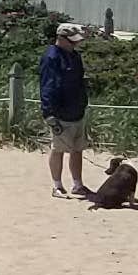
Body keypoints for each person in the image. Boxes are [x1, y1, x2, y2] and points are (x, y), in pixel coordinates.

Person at [37, 21, 91, 198]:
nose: (76, 44)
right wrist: (49, 114)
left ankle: (77, 184)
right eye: (72, 40)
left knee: (77, 149)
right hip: (60, 113)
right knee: (58, 149)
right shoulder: (51, 57)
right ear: (61, 38)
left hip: (77, 111)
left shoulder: (75, 56)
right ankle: (57, 186)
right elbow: (47, 86)